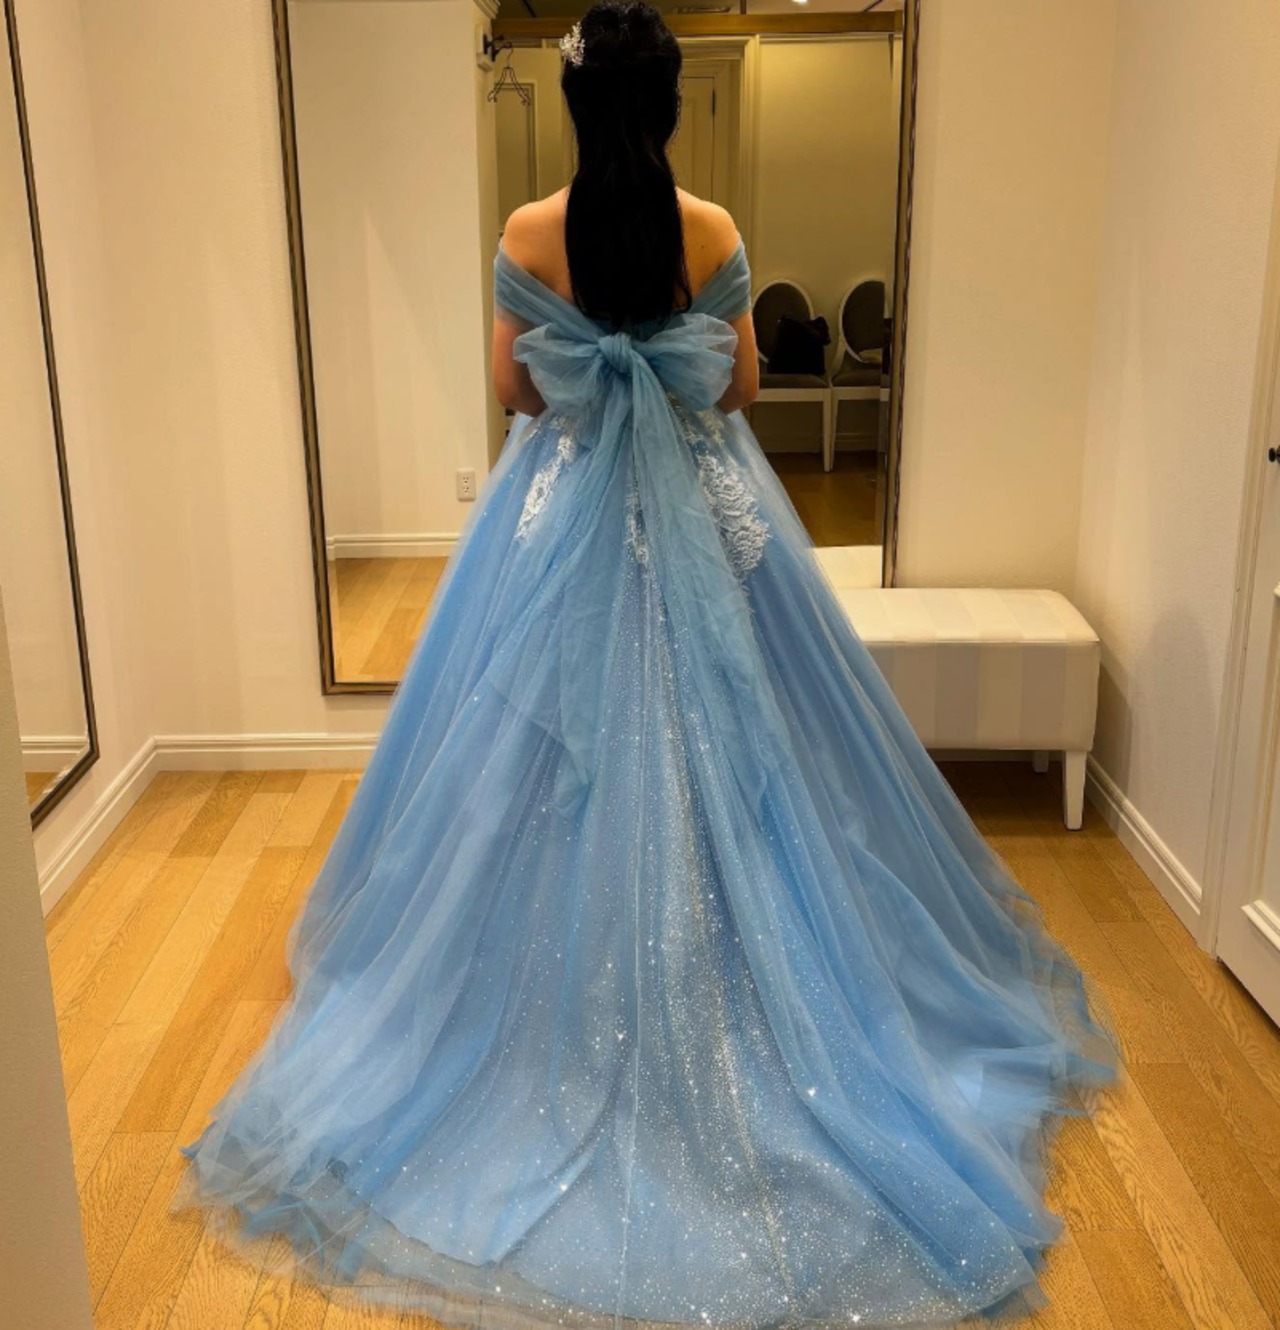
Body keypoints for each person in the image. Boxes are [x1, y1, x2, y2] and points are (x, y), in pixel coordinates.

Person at [180, 5, 1119, 1326]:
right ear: (670, 105)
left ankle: (523, 1018)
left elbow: (516, 394)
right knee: (747, 734)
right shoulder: (714, 228)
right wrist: (660, 372)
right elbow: (737, 390)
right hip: (706, 510)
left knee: (523, 755)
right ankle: (764, 994)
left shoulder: (526, 231)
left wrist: (587, 371)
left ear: (574, 103)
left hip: (561, 518)